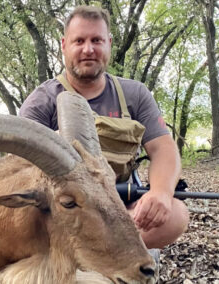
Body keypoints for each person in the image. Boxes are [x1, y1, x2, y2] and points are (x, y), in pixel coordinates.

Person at [19, 5, 189, 249]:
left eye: (97, 40)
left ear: (109, 43)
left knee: (176, 215)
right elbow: (20, 168)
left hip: (125, 210)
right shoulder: (40, 101)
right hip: (64, 215)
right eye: (79, 41)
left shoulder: (135, 94)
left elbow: (163, 148)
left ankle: (90, 255)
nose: (88, 49)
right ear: (64, 45)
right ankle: (108, 254)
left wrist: (160, 192)